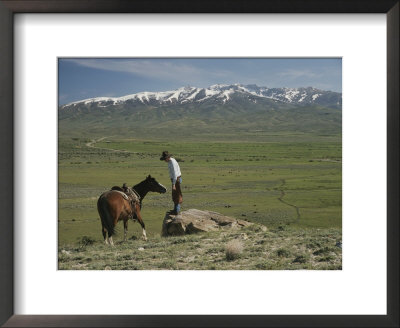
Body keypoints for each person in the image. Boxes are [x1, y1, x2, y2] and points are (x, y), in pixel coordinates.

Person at [160, 151, 182, 215]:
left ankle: (176, 211)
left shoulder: (172, 163)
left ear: (168, 157)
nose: (164, 160)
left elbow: (175, 174)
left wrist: (173, 184)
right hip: (175, 179)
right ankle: (175, 210)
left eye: (165, 159)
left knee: (177, 195)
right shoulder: (170, 161)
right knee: (175, 195)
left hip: (176, 179)